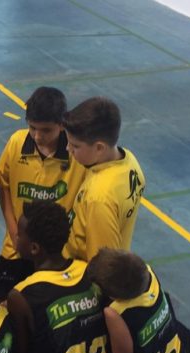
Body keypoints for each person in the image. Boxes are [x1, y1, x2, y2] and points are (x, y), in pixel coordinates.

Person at [7, 200, 108, 353]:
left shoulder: (21, 295)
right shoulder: (88, 270)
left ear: (34, 248)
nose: (15, 236)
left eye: (19, 235)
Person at [0, 87, 86, 304]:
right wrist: (14, 231)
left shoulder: (76, 155)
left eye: (46, 130)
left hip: (56, 253)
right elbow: (4, 186)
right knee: (1, 302)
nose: (37, 136)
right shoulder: (17, 143)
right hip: (17, 247)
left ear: (62, 125)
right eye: (32, 128)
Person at [62, 97, 146, 261]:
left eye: (75, 146)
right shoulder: (129, 161)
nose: (68, 148)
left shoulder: (99, 197)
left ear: (99, 148)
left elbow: (102, 265)